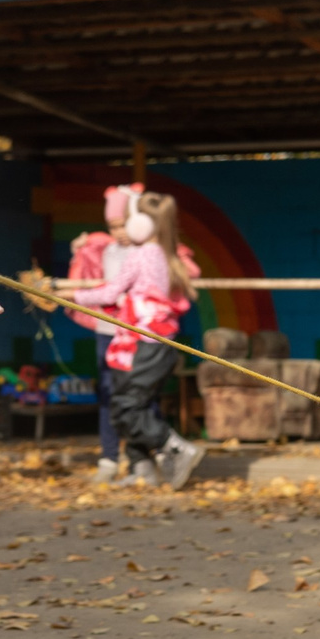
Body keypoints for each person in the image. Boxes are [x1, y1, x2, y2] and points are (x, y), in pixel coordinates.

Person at [74, 190, 207, 490]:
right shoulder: (165, 253)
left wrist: (71, 295)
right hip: (153, 343)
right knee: (136, 404)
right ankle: (142, 468)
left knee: (126, 407)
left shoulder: (143, 254)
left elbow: (111, 292)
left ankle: (173, 446)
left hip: (146, 343)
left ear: (140, 224)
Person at [64, 185, 141, 481]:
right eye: (113, 226)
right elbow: (93, 274)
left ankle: (139, 457)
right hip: (108, 330)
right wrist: (79, 251)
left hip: (137, 332)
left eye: (124, 224)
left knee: (137, 393)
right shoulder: (106, 250)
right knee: (108, 392)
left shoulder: (146, 252)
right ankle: (109, 457)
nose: (120, 232)